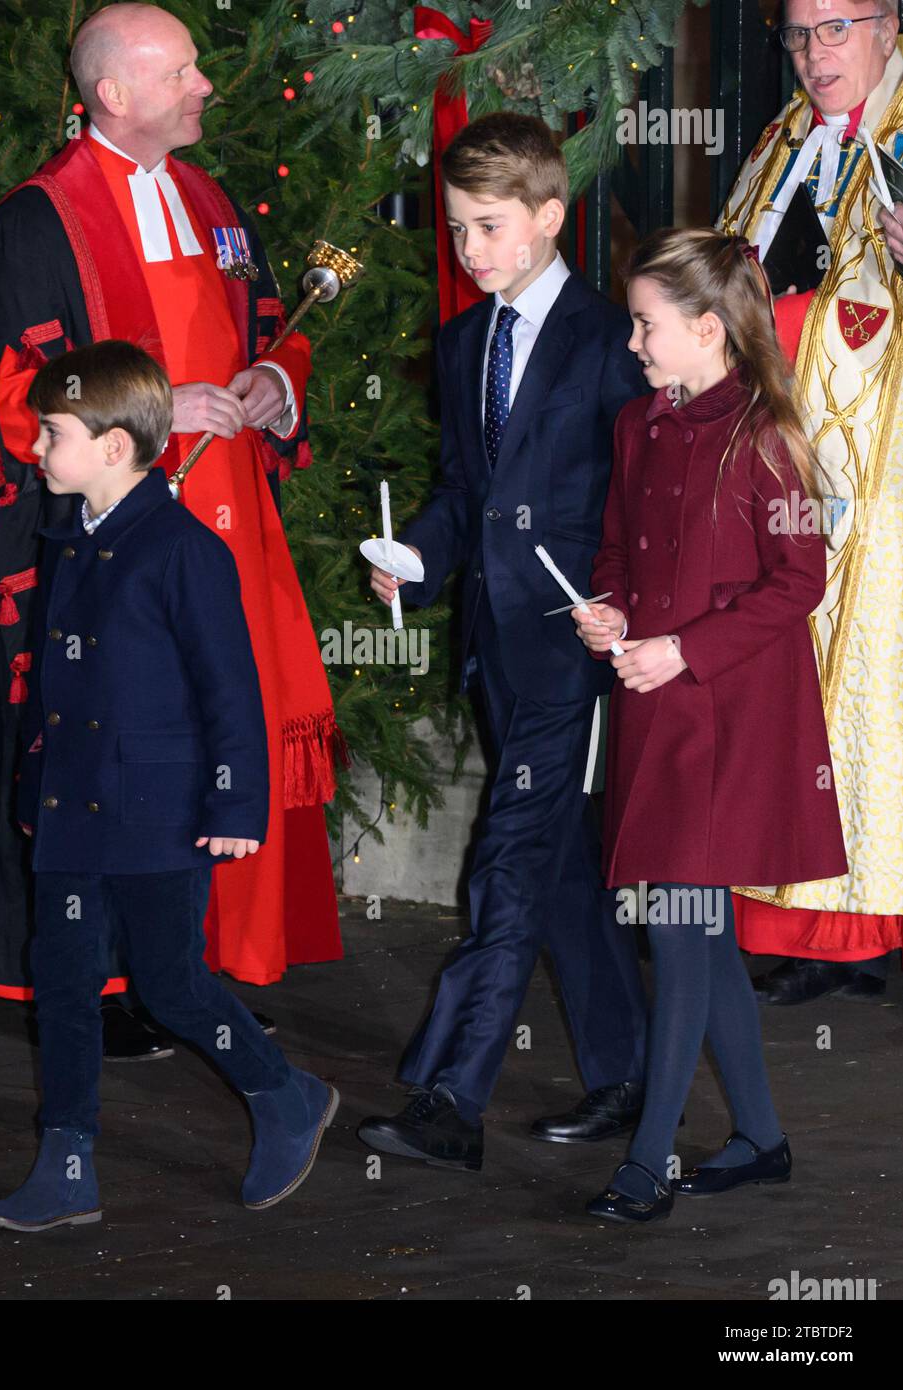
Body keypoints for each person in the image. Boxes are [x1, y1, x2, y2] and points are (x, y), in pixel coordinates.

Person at [0, 3, 344, 1049]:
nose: (204, 87)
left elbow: (272, 323)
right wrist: (163, 407)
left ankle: (204, 964)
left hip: (226, 517)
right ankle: (111, 980)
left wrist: (278, 383)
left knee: (220, 715)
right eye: (183, 72)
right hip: (110, 534)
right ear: (114, 95)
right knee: (127, 737)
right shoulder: (35, 219)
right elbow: (16, 387)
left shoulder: (212, 200)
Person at [0, 341, 337, 1231]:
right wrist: (37, 789)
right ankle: (66, 1162)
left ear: (111, 448)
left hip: (158, 812)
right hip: (71, 809)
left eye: (50, 434)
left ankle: (283, 1094)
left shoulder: (184, 551)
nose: (34, 448)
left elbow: (230, 688)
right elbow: (56, 688)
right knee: (60, 979)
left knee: (170, 984)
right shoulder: (71, 542)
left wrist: (233, 804)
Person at [358, 112, 649, 1172]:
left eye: (486, 228)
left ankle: (450, 1097)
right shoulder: (462, 340)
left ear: (547, 217)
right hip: (493, 641)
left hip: (572, 650)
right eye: (456, 230)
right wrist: (416, 557)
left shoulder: (610, 339)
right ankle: (630, 1072)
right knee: (558, 864)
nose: (468, 250)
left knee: (509, 864)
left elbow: (640, 500)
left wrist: (619, 604)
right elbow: (458, 494)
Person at [576, 228, 848, 1224]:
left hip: (728, 713)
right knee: (701, 932)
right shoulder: (637, 424)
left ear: (707, 328)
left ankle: (648, 1161)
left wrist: (684, 649)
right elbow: (616, 549)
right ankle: (760, 1137)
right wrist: (605, 605)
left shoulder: (765, 436)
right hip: (654, 702)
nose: (634, 343)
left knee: (682, 929)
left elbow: (801, 582)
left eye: (647, 326)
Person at [717, 0, 903, 1003]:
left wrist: (792, 323)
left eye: (835, 29)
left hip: (887, 476)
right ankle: (810, 922)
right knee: (795, 687)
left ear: (887, 27)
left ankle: (872, 917)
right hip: (790, 455)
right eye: (797, 35)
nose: (814, 54)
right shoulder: (787, 134)